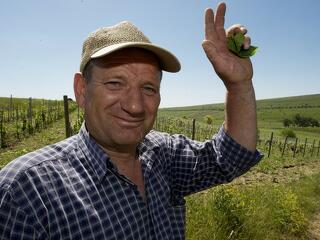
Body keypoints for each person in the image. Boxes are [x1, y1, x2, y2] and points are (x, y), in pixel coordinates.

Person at [0, 2, 262, 239]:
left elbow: (231, 157)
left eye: (148, 88)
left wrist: (238, 85)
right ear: (82, 90)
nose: (135, 106)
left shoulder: (164, 155)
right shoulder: (27, 192)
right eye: (115, 83)